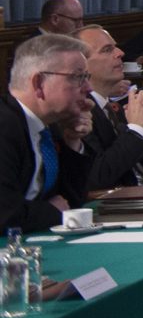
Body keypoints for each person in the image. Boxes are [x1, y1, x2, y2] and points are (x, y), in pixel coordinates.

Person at [2, 35, 94, 230]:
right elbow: (5, 214)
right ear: (38, 83)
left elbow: (72, 202)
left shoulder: (49, 125)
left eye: (87, 77)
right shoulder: (4, 126)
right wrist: (52, 211)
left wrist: (72, 140)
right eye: (78, 77)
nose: (88, 88)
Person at [73, 26, 143, 189]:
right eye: (107, 50)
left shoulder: (111, 107)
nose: (120, 53)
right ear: (81, 64)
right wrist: (136, 129)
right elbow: (98, 177)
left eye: (115, 46)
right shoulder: (78, 112)